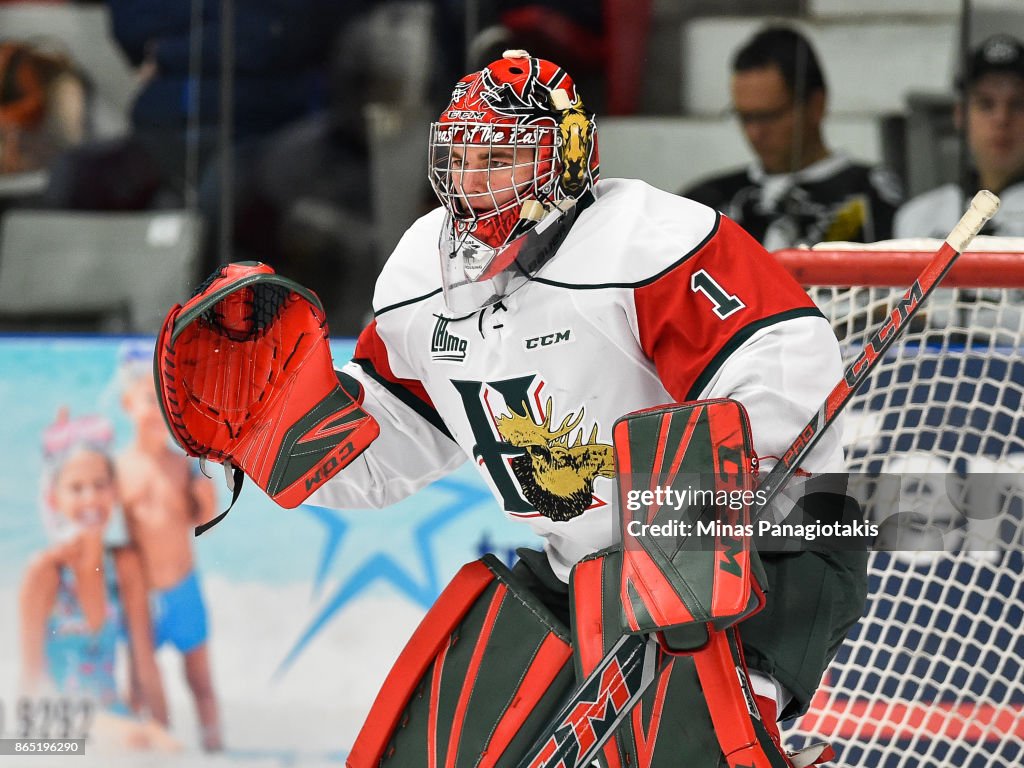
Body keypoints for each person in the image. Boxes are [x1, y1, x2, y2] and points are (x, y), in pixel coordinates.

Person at [253, 50, 864, 764]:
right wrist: (273, 437)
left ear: (565, 160)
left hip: (762, 550)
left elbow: (787, 364)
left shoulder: (647, 241)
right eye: (463, 157)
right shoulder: (420, 273)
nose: (472, 183)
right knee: (436, 750)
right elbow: (400, 434)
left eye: (500, 159)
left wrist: (695, 515)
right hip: (585, 571)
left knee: (687, 747)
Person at [19, 411, 179, 752]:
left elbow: (146, 664)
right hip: (60, 723)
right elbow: (30, 678)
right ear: (54, 499)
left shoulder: (124, 566)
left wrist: (168, 738)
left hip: (116, 717)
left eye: (100, 484)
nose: (90, 497)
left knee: (161, 745)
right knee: (139, 740)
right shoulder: (45, 574)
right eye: (76, 488)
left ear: (115, 491)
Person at [681, 26, 902, 250]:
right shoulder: (706, 201)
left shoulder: (872, 193)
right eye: (744, 117)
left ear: (816, 105)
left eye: (768, 116)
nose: (754, 132)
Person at [114, 342, 224, 752]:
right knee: (140, 683)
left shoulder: (183, 465)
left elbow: (202, 522)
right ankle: (146, 747)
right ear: (128, 403)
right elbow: (113, 542)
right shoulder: (119, 470)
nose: (159, 412)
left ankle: (215, 748)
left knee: (200, 680)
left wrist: (207, 498)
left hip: (183, 586)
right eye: (149, 399)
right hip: (141, 596)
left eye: (166, 402)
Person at [894, 34, 1024, 238]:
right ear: (960, 115)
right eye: (986, 104)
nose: (1001, 119)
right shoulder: (919, 217)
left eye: (1018, 104)